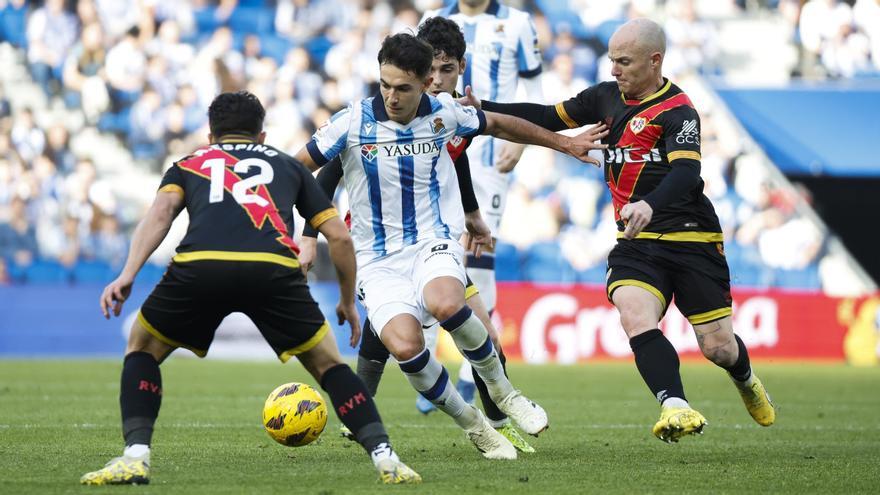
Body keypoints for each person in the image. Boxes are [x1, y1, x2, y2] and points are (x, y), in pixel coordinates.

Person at [460, 18, 776, 443]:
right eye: (612, 60)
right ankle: (675, 406)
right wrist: (487, 108)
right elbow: (548, 116)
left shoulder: (678, 111)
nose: (614, 70)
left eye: (624, 61)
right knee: (634, 315)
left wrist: (650, 203)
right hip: (635, 242)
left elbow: (686, 171)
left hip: (691, 237)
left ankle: (745, 378)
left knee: (717, 347)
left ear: (655, 60)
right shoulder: (605, 97)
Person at [80, 91, 421, 485]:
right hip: (272, 269)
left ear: (211, 136)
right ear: (261, 135)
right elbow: (340, 239)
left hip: (200, 266)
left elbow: (160, 215)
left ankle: (135, 456)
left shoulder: (189, 163)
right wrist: (347, 302)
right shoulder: (289, 166)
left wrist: (127, 274)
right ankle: (385, 458)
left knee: (141, 348)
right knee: (329, 367)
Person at [294, 33, 605, 460]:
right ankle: (475, 426)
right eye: (384, 84)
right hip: (376, 260)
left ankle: (506, 394)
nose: (391, 96)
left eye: (402, 87)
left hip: (430, 242)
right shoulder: (351, 122)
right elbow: (298, 169)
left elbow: (499, 123)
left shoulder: (444, 113)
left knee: (446, 303)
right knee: (404, 347)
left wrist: (565, 144)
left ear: (425, 83)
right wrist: (300, 231)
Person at [419, 0, 545, 409]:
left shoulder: (518, 23)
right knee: (437, 249)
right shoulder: (434, 21)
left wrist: (522, 141)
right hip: (432, 149)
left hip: (489, 155)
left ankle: (469, 370)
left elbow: (536, 91)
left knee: (477, 250)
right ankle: (433, 362)